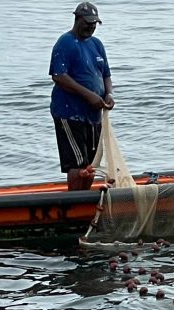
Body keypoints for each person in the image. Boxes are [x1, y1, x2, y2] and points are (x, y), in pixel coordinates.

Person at [49, 2, 114, 191]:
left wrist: (108, 94)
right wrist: (89, 96)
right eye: (87, 23)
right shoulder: (66, 43)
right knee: (77, 163)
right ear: (77, 19)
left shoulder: (96, 44)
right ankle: (75, 201)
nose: (91, 27)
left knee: (91, 163)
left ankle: (85, 199)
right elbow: (59, 76)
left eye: (94, 23)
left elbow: (106, 75)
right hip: (70, 113)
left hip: (93, 115)